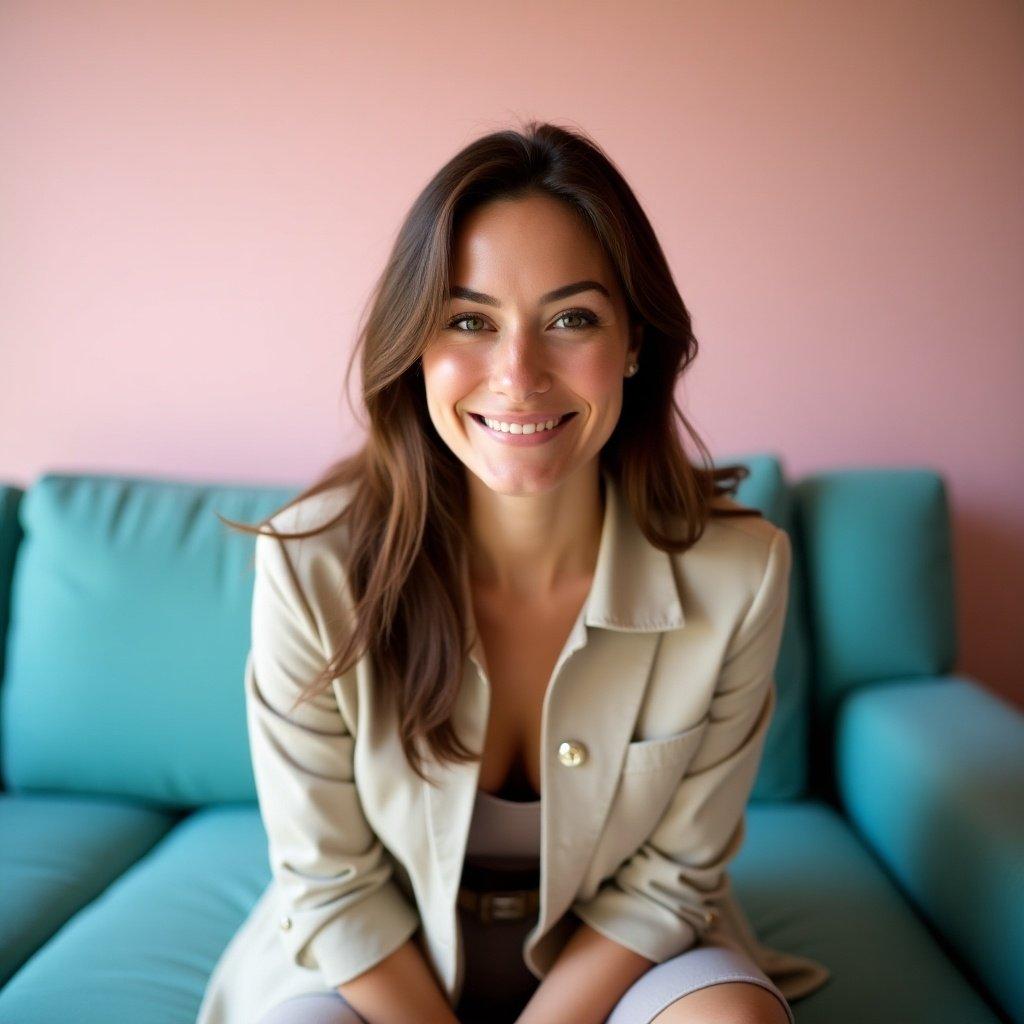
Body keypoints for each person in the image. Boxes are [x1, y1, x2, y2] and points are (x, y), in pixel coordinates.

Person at [198, 119, 830, 1024]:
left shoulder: (742, 572)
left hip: (621, 954)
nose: (518, 374)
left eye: (572, 319)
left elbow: (672, 879)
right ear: (414, 345)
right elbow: (332, 885)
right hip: (379, 958)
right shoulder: (311, 564)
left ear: (637, 343)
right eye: (468, 321)